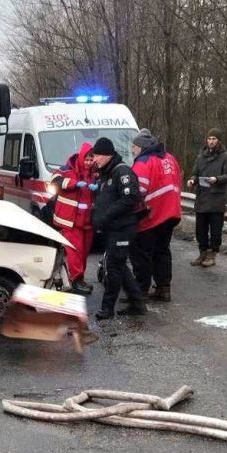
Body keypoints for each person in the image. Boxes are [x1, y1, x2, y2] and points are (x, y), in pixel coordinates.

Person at [90, 137, 147, 320]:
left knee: (114, 268)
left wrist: (106, 215)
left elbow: (130, 198)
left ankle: (107, 309)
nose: (94, 159)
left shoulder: (122, 172)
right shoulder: (106, 173)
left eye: (97, 155)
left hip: (122, 229)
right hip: (113, 229)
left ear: (107, 155)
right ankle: (137, 303)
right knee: (119, 266)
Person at [130, 130, 182, 301]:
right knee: (162, 251)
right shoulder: (169, 158)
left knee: (142, 252)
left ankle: (141, 290)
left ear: (141, 147)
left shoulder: (143, 162)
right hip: (171, 212)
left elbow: (138, 191)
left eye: (134, 147)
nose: (132, 150)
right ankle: (163, 287)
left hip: (152, 213)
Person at [50, 142, 98, 294]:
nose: (89, 163)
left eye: (91, 160)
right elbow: (55, 182)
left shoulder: (95, 172)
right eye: (87, 159)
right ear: (82, 157)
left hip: (87, 221)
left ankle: (79, 278)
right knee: (74, 252)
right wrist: (75, 184)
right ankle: (76, 280)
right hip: (70, 220)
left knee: (83, 252)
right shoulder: (66, 169)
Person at [186, 128, 227, 267]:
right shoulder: (201, 156)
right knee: (200, 229)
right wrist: (192, 181)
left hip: (217, 198)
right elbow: (195, 173)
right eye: (209, 139)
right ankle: (202, 253)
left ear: (219, 141)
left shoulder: (225, 156)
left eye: (214, 139)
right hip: (202, 198)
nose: (211, 141)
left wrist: (217, 179)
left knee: (215, 229)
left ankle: (212, 254)